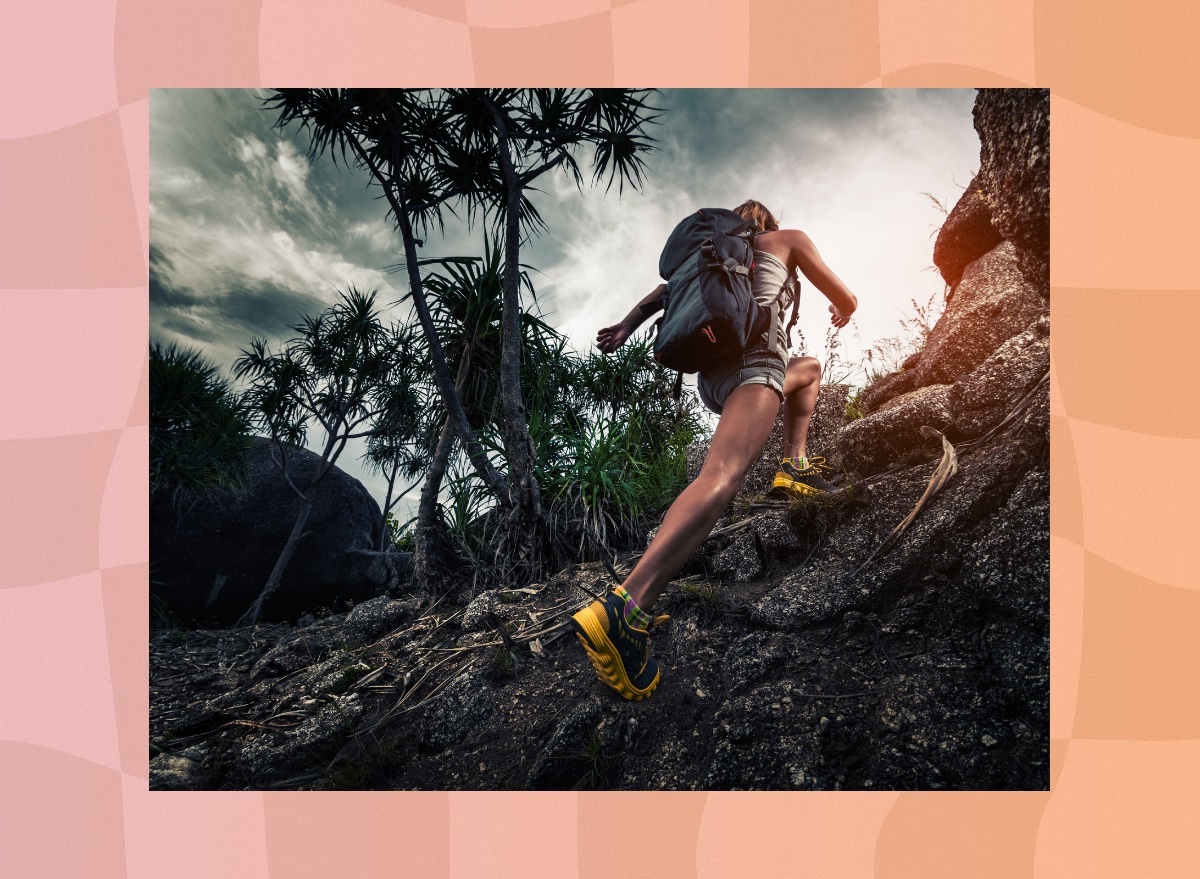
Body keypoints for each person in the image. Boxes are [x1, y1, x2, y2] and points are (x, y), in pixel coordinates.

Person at [570, 200, 859, 700]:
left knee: (808, 368)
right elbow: (847, 298)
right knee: (721, 476)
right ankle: (626, 609)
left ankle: (794, 464)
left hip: (713, 377)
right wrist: (842, 309)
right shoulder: (787, 240)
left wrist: (623, 327)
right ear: (766, 220)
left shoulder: (705, 259)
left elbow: (660, 297)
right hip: (756, 363)